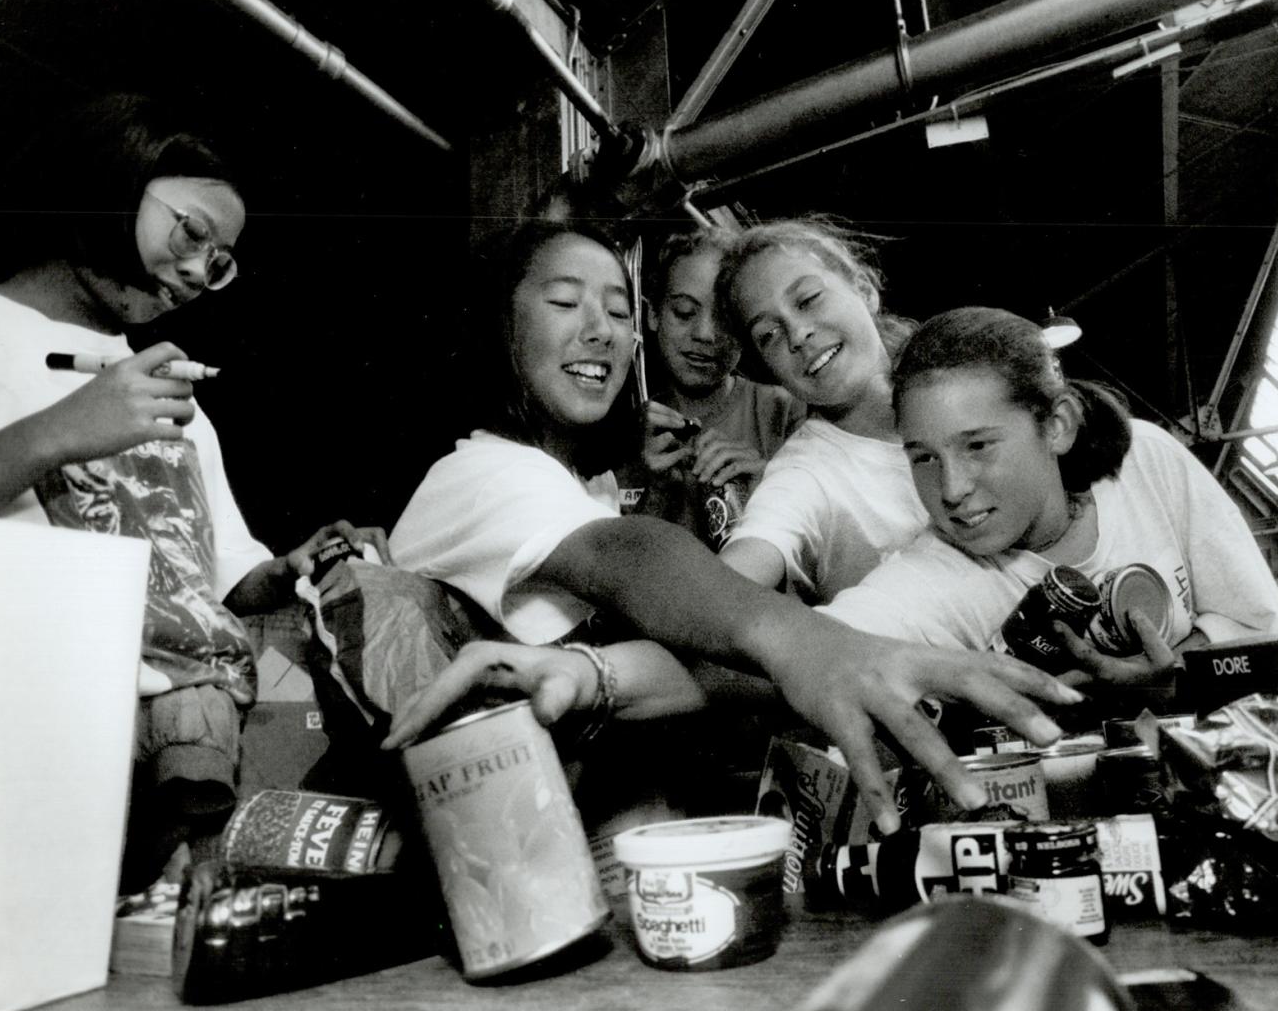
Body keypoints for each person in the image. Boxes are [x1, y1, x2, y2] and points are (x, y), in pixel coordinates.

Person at [384, 221, 1083, 833]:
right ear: (500, 326)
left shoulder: (579, 491)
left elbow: (695, 637)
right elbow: (636, 558)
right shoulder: (481, 475)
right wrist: (813, 648)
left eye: (616, 310)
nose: (600, 328)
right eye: (565, 302)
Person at [0, 94, 389, 881]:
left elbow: (220, 583)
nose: (198, 272)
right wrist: (61, 431)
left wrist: (295, 565)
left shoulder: (172, 391)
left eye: (220, 259)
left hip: (168, 769)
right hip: (15, 764)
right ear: (111, 180)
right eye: (190, 232)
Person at [819, 306, 1278, 685]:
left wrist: (1171, 672)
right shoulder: (929, 575)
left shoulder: (1144, 459)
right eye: (923, 457)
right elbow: (803, 650)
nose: (951, 490)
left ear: (1057, 425)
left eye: (978, 445)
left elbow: (1267, 627)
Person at [712, 219, 928, 603]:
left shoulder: (956, 384)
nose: (797, 334)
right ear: (770, 372)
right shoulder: (803, 475)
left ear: (864, 290)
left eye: (808, 299)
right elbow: (734, 580)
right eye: (769, 335)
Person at [632, 227, 806, 546]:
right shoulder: (623, 432)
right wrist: (655, 495)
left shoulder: (787, 412)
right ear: (653, 314)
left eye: (725, 319)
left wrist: (770, 491)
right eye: (684, 312)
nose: (706, 334)